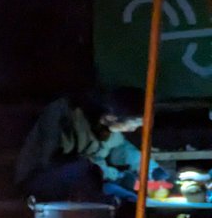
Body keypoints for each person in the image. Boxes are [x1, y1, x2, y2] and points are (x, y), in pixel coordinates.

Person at [13, 86, 170, 204]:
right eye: (134, 122)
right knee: (98, 182)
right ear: (111, 117)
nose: (135, 128)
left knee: (130, 198)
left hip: (87, 177)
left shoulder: (108, 127)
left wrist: (150, 168)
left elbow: (121, 149)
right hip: (42, 180)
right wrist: (115, 175)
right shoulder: (65, 114)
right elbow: (55, 161)